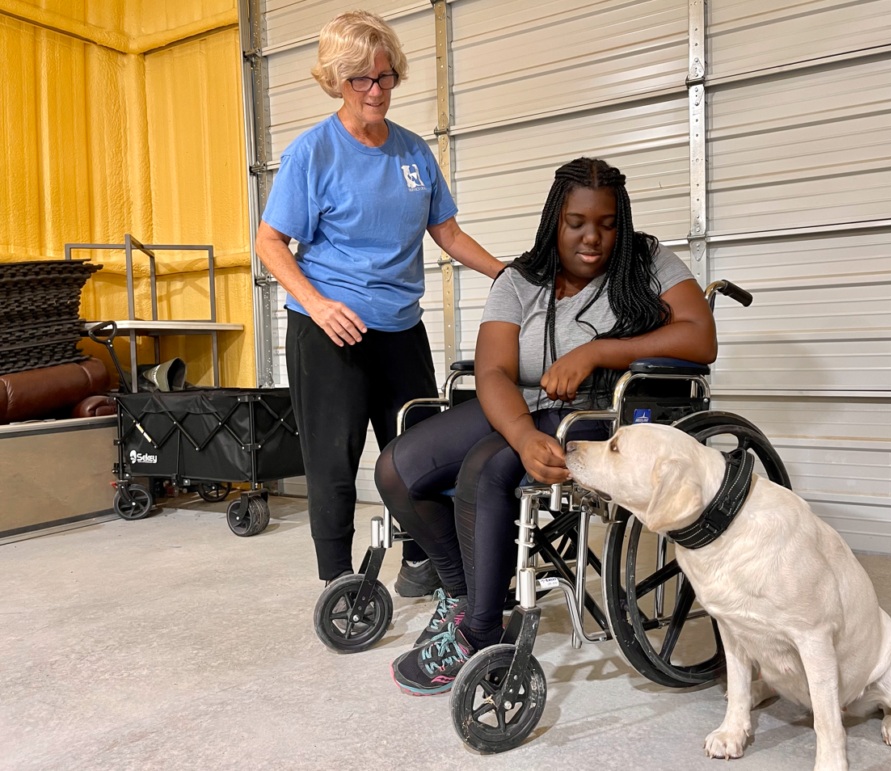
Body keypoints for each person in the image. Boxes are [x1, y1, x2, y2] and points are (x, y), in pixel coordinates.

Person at [374, 157, 718, 694]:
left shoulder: (646, 259)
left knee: (484, 469)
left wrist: (600, 350)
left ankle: (482, 637)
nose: (592, 238)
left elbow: (701, 337)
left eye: (607, 224)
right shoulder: (520, 279)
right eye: (577, 223)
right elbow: (491, 370)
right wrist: (521, 433)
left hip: (599, 413)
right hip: (524, 408)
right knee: (397, 467)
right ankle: (466, 598)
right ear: (554, 220)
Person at [255, 11, 503, 594]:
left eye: (385, 78)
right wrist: (317, 305)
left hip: (400, 328)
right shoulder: (311, 154)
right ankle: (336, 579)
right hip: (330, 332)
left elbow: (447, 232)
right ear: (336, 81)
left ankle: (423, 561)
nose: (376, 92)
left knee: (418, 451)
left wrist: (508, 272)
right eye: (360, 81)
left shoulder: (414, 153)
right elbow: (269, 242)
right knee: (334, 461)